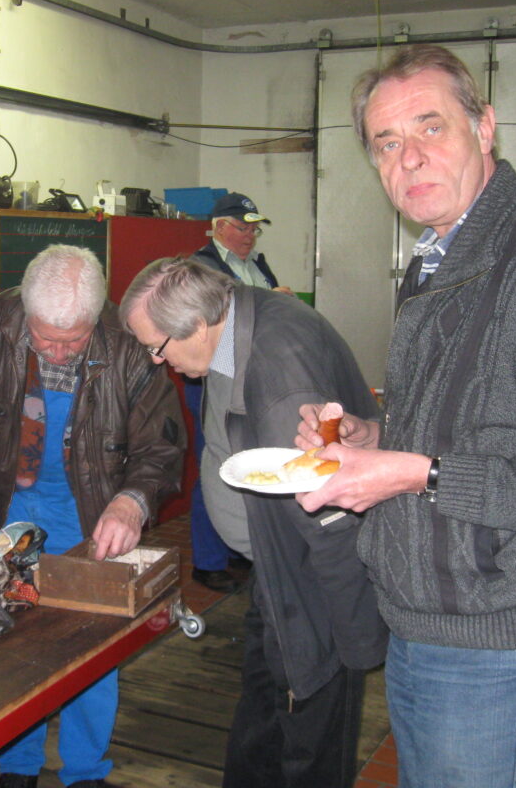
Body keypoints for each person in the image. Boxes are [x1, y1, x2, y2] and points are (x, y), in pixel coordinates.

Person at [294, 43, 516, 788]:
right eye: (386, 142)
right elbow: (477, 425)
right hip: (429, 617)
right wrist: (375, 439)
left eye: (431, 127)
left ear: (484, 128)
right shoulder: (442, 257)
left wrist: (416, 473)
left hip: (502, 640)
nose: (409, 158)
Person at [0, 245, 184, 788]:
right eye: (45, 340)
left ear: (97, 317)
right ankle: (18, 765)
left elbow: (161, 446)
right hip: (1, 509)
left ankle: (85, 769)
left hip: (89, 514)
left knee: (91, 643)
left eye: (74, 341)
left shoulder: (129, 343)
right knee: (7, 642)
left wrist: (133, 500)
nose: (59, 353)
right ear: (24, 311)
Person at [120, 257, 387, 788]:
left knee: (309, 734)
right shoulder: (232, 324)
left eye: (158, 347)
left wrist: (354, 632)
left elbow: (327, 511)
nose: (156, 360)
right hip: (277, 562)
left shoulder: (280, 369)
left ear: (197, 325)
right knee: (265, 715)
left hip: (310, 580)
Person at [187, 191, 293, 592]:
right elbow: (206, 322)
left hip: (249, 381)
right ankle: (208, 562)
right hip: (211, 381)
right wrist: (267, 301)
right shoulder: (200, 268)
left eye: (254, 229)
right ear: (219, 228)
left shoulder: (256, 265)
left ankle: (235, 547)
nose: (250, 236)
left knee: (245, 464)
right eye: (242, 228)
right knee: (214, 464)